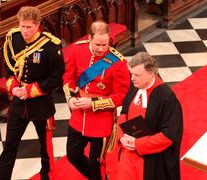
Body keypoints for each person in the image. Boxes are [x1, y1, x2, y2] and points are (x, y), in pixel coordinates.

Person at [0, 6, 65, 180]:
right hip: (19, 104)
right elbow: (10, 70)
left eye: (29, 27)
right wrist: (13, 88)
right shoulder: (13, 38)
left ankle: (46, 177)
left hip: (41, 104)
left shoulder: (51, 46)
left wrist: (29, 91)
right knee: (10, 146)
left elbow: (56, 79)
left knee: (45, 148)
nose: (25, 31)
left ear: (38, 25)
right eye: (22, 26)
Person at [62, 21, 130, 180]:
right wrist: (70, 98)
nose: (101, 49)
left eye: (105, 44)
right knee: (73, 155)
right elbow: (68, 77)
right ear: (90, 38)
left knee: (96, 162)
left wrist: (93, 104)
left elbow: (121, 96)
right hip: (79, 115)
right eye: (97, 44)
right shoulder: (77, 49)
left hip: (102, 120)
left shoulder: (118, 62)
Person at [116, 52, 183, 180]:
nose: (132, 78)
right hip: (128, 154)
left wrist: (138, 144)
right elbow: (124, 112)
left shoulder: (166, 97)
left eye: (137, 75)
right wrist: (121, 137)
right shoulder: (135, 85)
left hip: (151, 161)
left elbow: (169, 135)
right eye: (131, 74)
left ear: (151, 73)